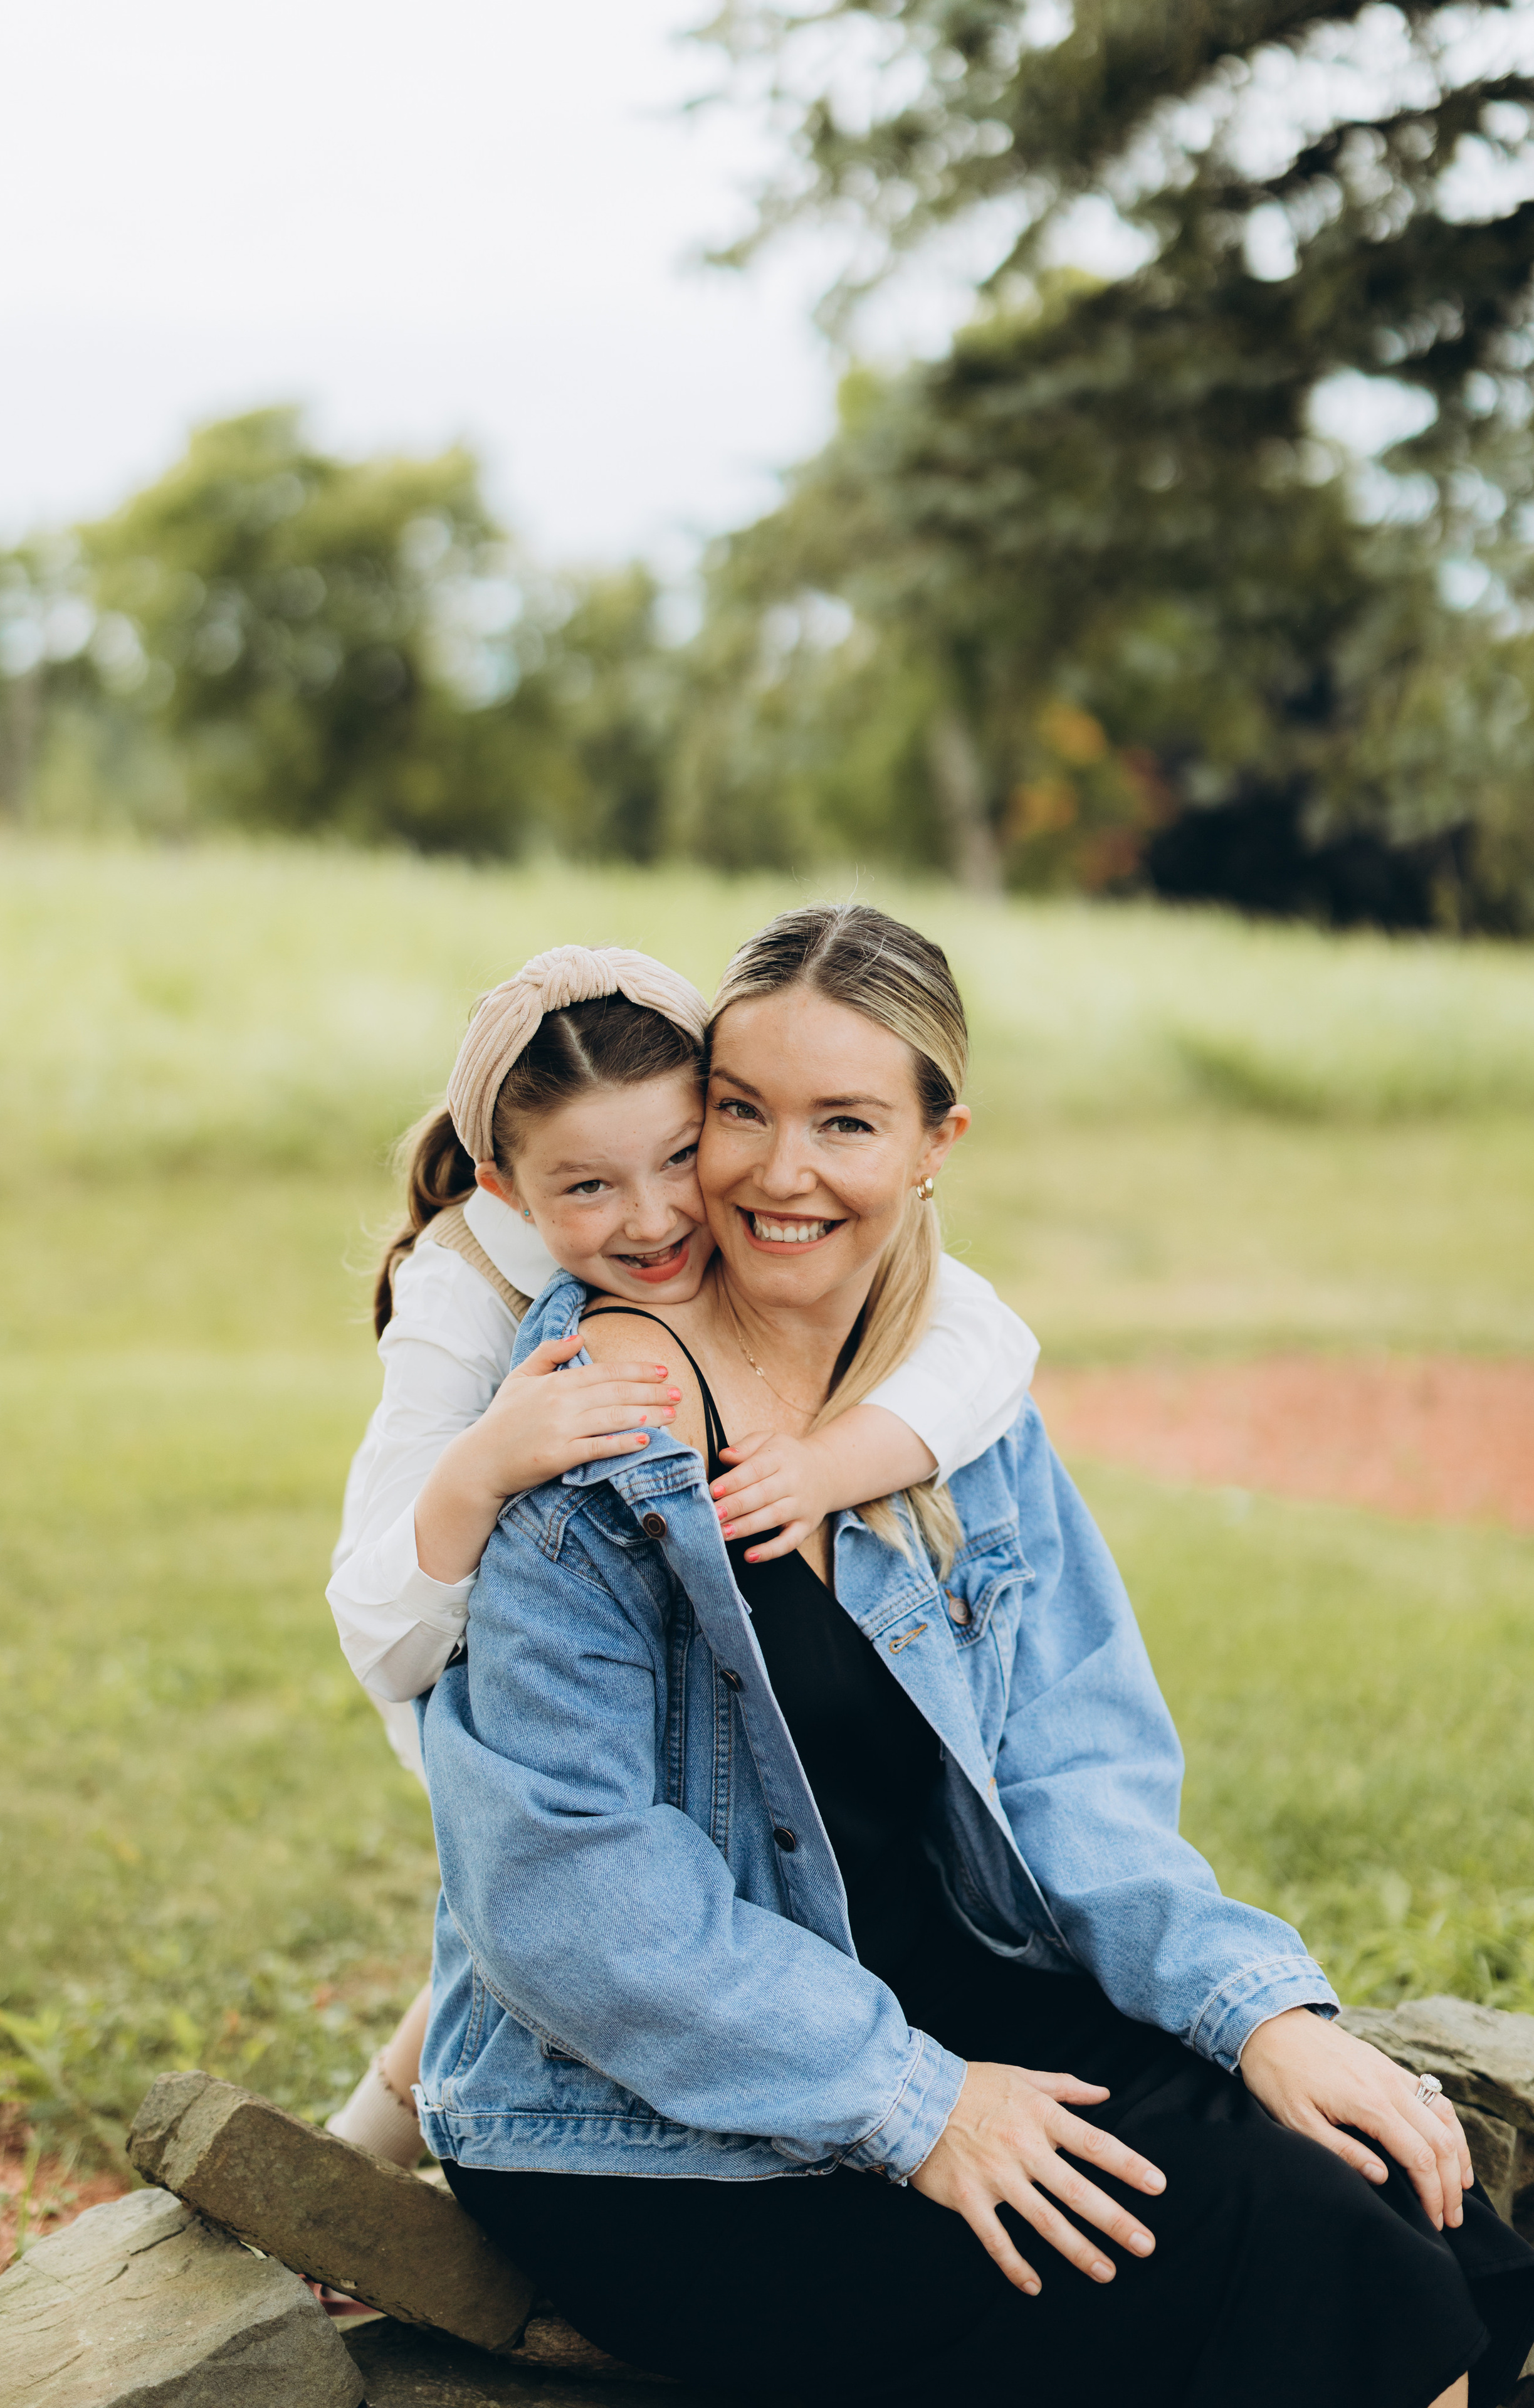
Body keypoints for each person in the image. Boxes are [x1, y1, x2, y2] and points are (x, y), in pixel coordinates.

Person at [414, 903, 1534, 2408]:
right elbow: (567, 1895)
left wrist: (1253, 2012)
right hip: (648, 2133)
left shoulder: (949, 1409)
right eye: (739, 1112)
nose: (780, 1172)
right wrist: (920, 2106)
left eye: (845, 1122)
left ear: (934, 1143)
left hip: (945, 2000)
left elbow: (1073, 1761)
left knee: (1387, 2185)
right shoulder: (593, 1434)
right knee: (1283, 2240)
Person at [324, 941, 1038, 2164]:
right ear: (507, 1189)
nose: (654, 1217)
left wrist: (828, 1467)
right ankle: (361, 2166)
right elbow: (384, 1633)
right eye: (590, 1187)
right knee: (569, 1885)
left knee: (663, 1877)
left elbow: (988, 1343)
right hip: (498, 1657)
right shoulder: (465, 1287)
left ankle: (366, 2160)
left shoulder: (773, 1229)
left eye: (678, 1156)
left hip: (655, 1656)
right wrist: (483, 1466)